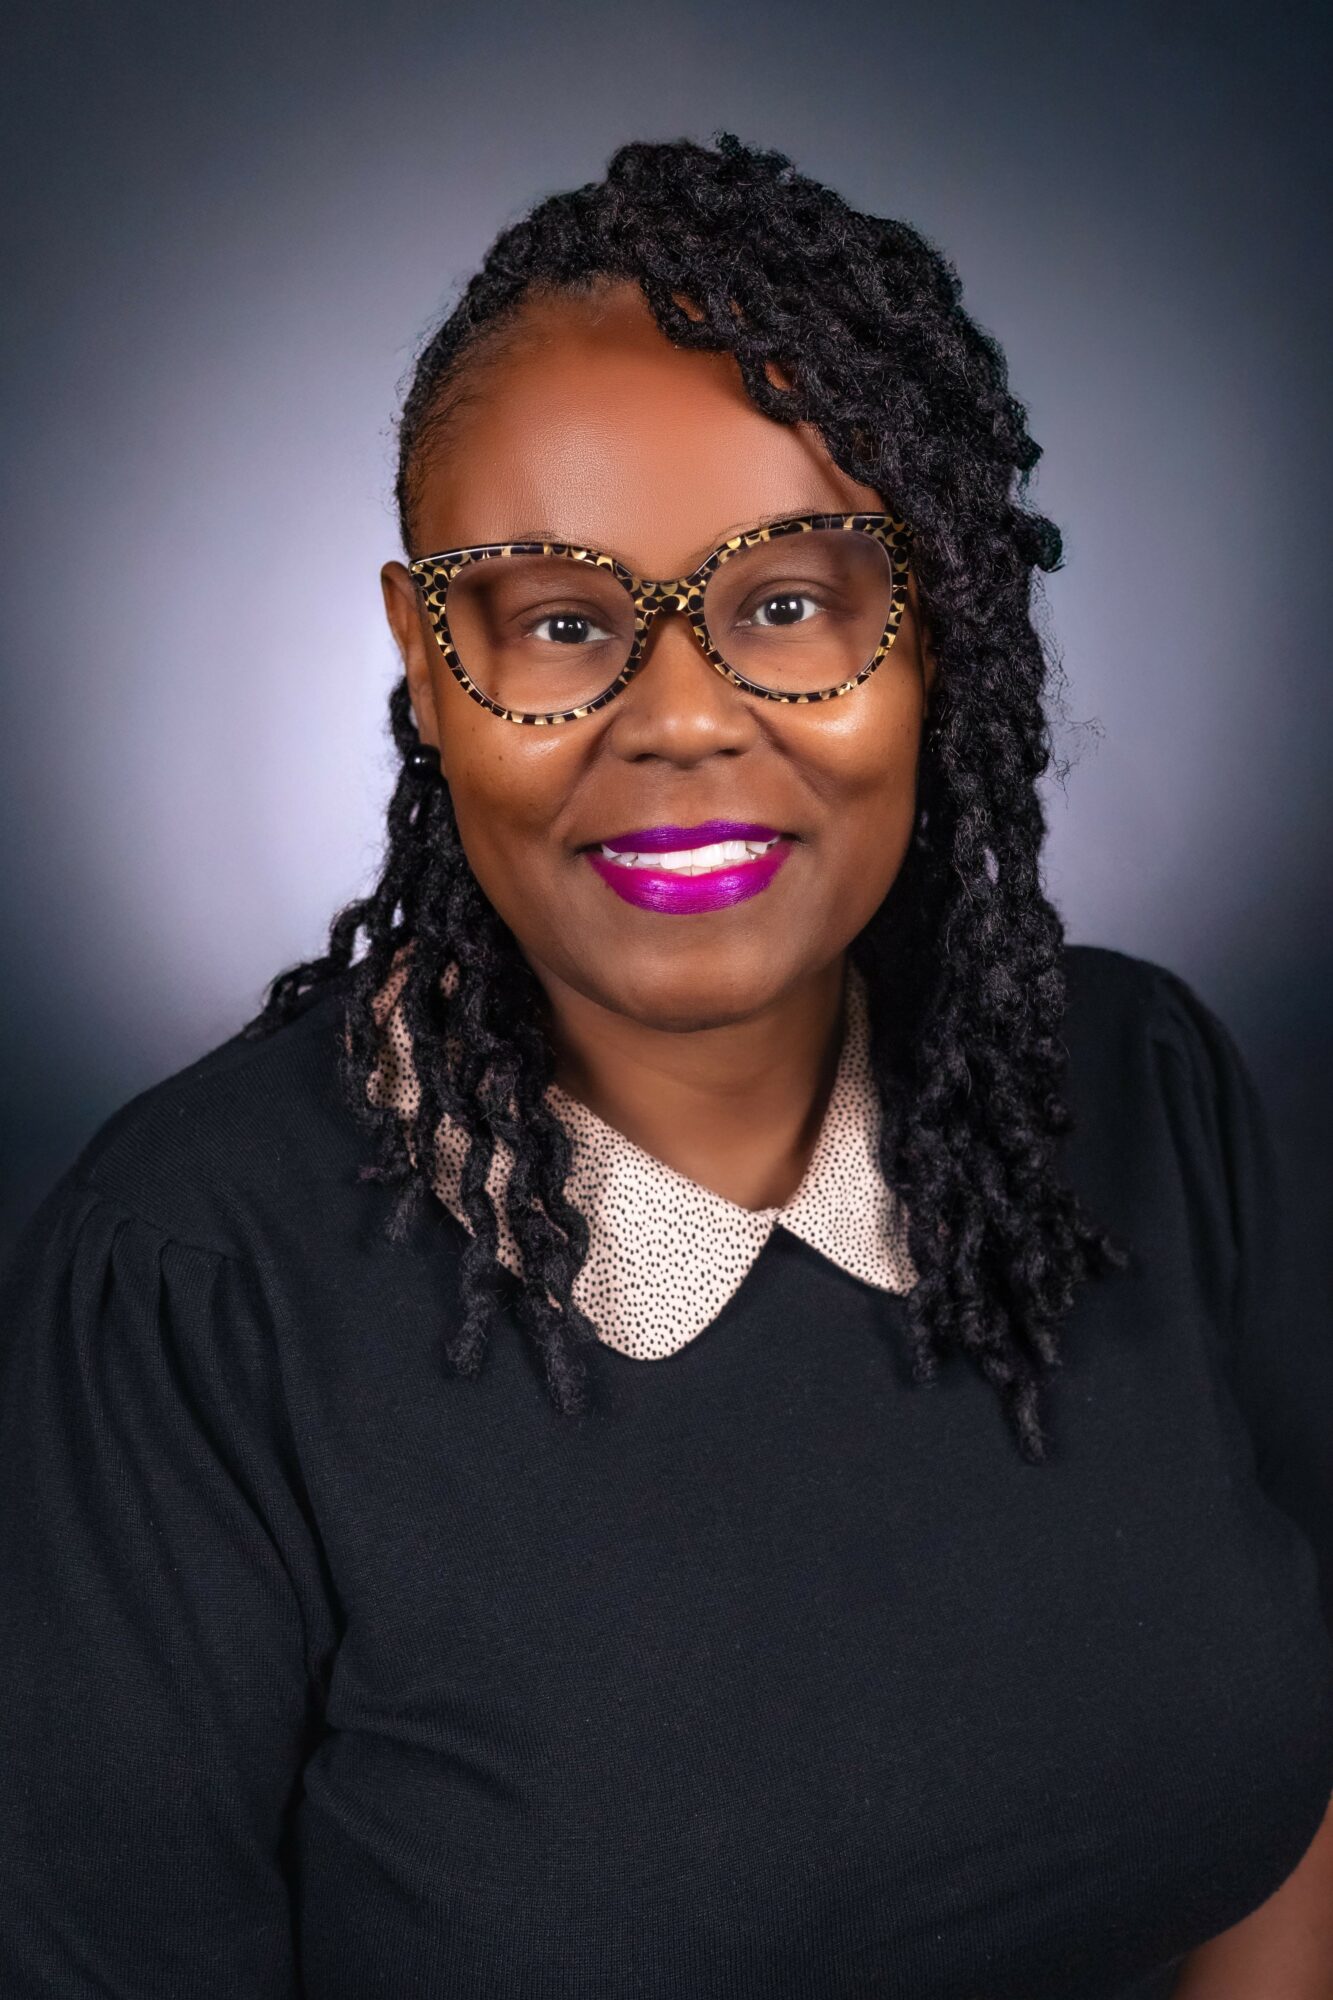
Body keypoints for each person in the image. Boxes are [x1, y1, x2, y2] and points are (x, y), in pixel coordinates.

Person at [1, 131, 1331, 2000]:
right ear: (425, 659)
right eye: (561, 622)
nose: (683, 718)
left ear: (929, 630)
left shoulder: (1137, 1086)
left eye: (787, 602)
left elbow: (1295, 1793)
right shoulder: (190, 1280)